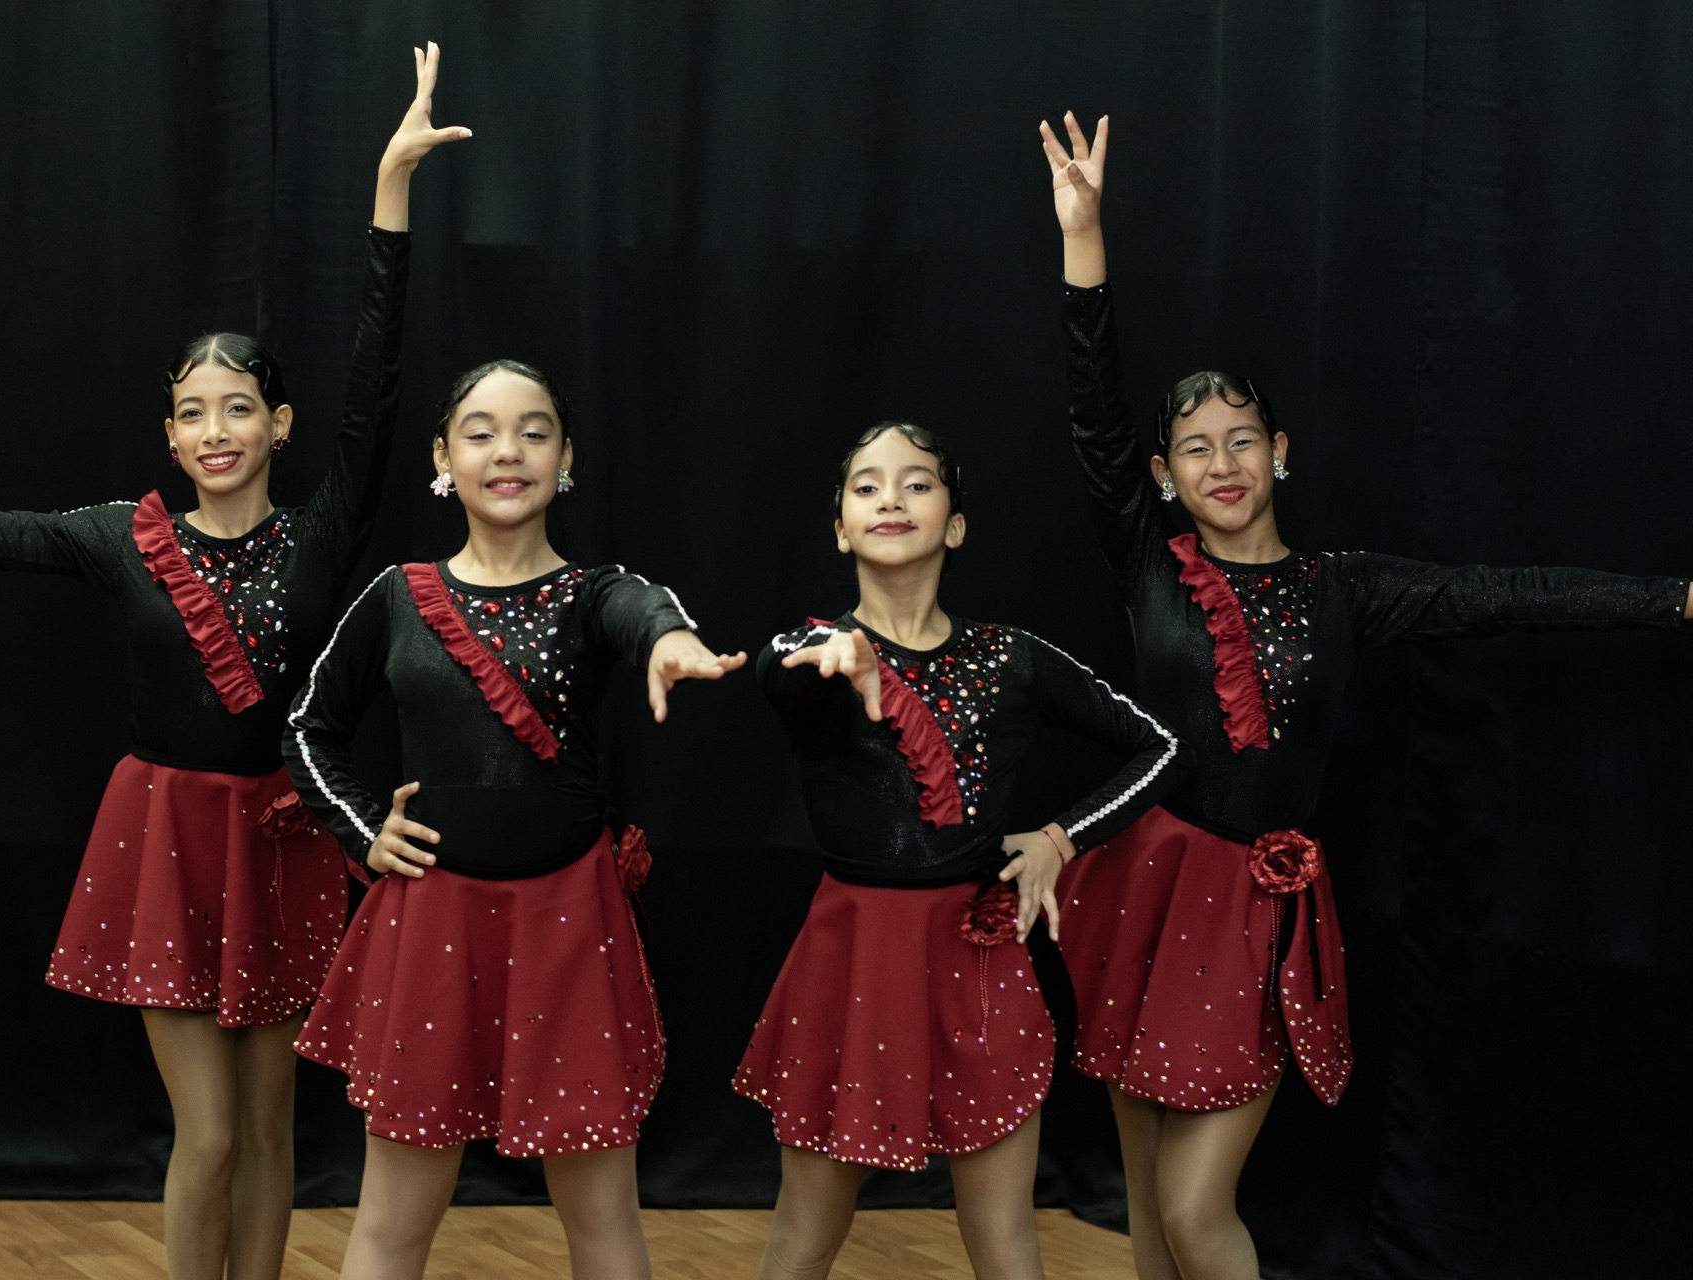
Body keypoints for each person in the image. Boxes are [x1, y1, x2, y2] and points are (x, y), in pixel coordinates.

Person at [0, 42, 471, 1280]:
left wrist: (388, 194)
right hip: (167, 839)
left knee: (272, 1125)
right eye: (193, 411)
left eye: (239, 405)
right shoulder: (119, 538)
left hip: (284, 834)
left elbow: (378, 378)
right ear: (170, 433)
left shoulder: (321, 535)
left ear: (280, 424)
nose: (216, 427)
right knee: (210, 1131)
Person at [1041, 110, 1692, 1280]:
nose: (1223, 463)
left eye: (1243, 439)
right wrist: (1083, 237)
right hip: (1144, 882)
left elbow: (1502, 593)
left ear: (1281, 450)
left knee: (1195, 1206)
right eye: (1196, 447)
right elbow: (1094, 412)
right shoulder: (1149, 562)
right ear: (1163, 475)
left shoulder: (1346, 588)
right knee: (1147, 1205)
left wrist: (1675, 599)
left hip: (1253, 906)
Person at [281, 356, 746, 1280]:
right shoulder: (398, 595)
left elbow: (644, 609)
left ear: (565, 459)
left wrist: (670, 640)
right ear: (442, 458)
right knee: (392, 1219)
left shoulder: (595, 592)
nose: (509, 452)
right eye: (482, 432)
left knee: (603, 1218)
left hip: (569, 922)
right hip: (434, 923)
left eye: (534, 433)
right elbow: (309, 727)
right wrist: (365, 830)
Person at [735, 421, 1190, 1280]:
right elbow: (779, 667)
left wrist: (1060, 838)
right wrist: (841, 659)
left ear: (954, 524)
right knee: (803, 1236)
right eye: (867, 486)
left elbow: (1162, 748)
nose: (891, 499)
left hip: (977, 966)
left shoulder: (1012, 657)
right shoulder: (810, 652)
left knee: (1005, 1245)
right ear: (841, 529)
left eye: (916, 483)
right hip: (853, 959)